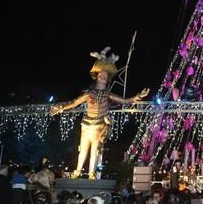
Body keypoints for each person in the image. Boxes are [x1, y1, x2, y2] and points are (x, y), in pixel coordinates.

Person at [50, 47, 149, 179]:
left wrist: (138, 96)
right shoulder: (88, 93)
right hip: (86, 125)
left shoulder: (109, 94)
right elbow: (73, 103)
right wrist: (60, 107)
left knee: (95, 151)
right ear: (97, 77)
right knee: (83, 150)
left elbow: (125, 101)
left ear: (107, 80)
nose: (103, 76)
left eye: (105, 76)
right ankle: (77, 172)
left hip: (99, 126)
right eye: (101, 75)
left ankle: (91, 173)